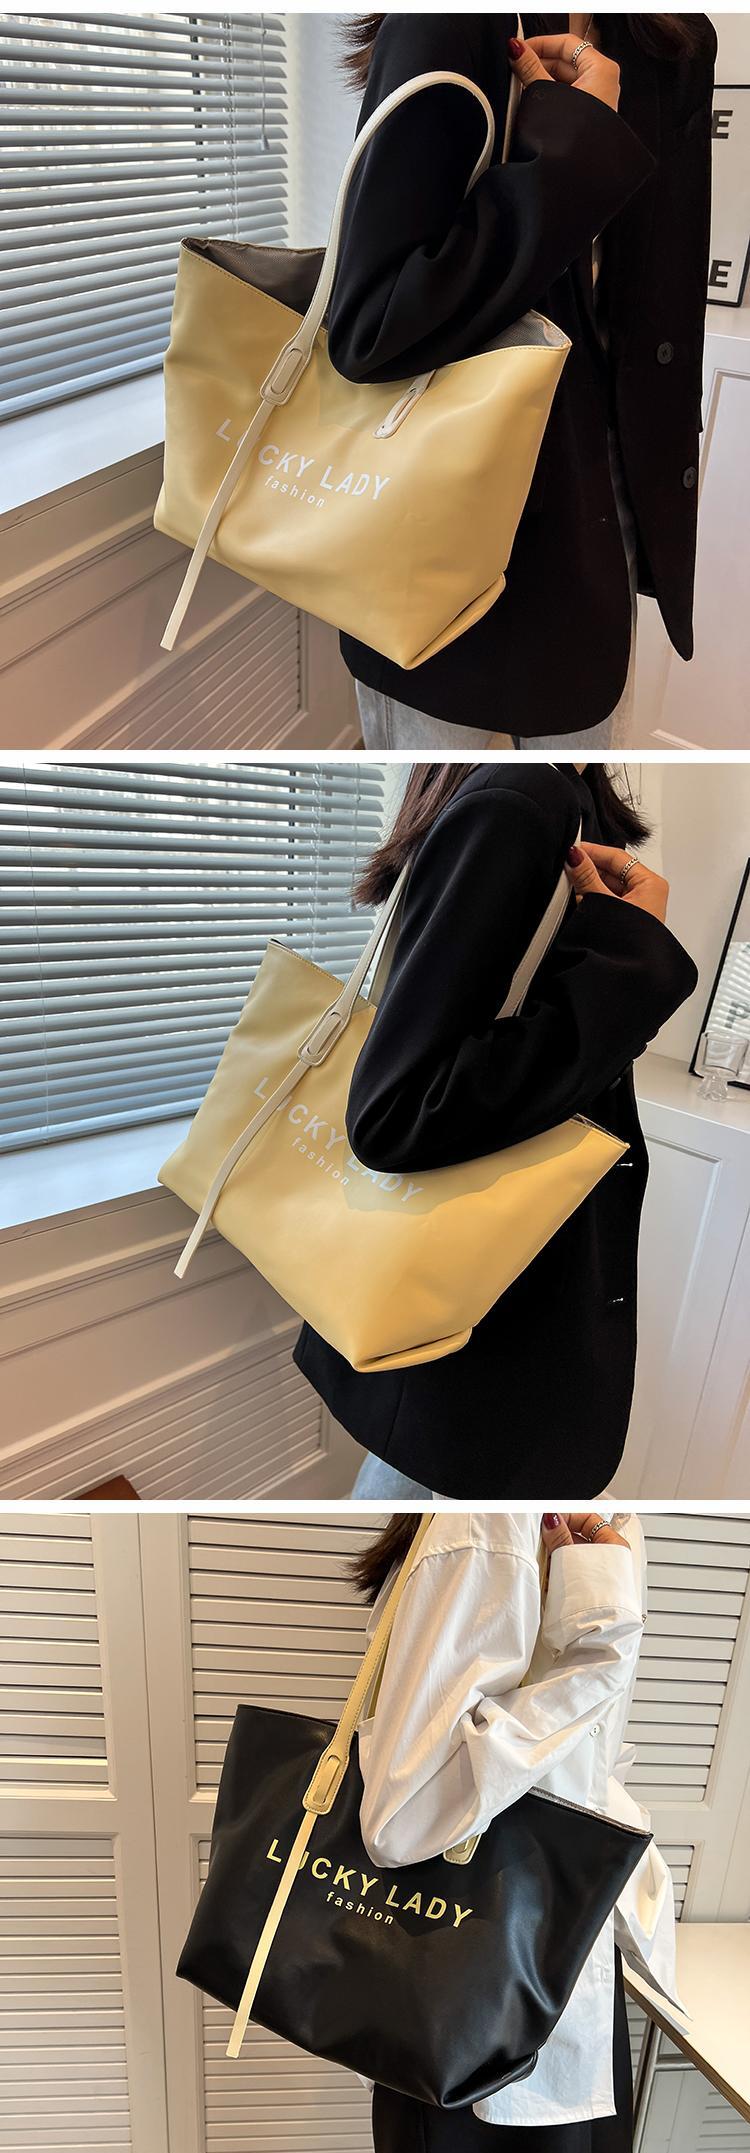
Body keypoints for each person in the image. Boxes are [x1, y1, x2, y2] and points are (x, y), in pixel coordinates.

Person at [293, 760, 698, 1498]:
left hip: (482, 1298)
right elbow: (397, 1114)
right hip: (484, 1318)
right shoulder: (523, 800)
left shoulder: (562, 794)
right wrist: (629, 960)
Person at [331, 13, 716, 750]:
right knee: (454, 787)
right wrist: (573, 150)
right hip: (441, 528)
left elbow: (655, 303)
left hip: (603, 513)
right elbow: (371, 328)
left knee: (578, 772)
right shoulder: (451, 23)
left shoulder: (671, 39)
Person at [336, 1507, 677, 2153]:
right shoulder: (492, 1529)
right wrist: (596, 1659)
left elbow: (586, 1763)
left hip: (553, 1965)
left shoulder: (602, 1519)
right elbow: (402, 1817)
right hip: (479, 1995)